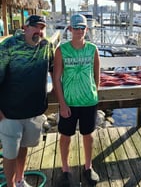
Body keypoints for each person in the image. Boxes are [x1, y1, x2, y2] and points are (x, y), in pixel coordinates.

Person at [0, 15, 54, 187]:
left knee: (23, 148)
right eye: (35, 27)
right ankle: (10, 185)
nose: (39, 31)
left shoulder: (47, 46)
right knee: (10, 153)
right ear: (25, 28)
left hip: (34, 111)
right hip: (9, 112)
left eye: (42, 28)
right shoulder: (8, 46)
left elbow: (55, 70)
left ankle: (20, 179)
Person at [53, 14, 100, 186]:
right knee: (65, 137)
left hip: (89, 102)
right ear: (70, 29)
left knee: (88, 136)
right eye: (76, 27)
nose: (79, 31)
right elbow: (57, 78)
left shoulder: (93, 48)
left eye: (82, 28)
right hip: (69, 103)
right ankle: (65, 169)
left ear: (86, 30)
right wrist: (62, 104)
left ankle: (88, 167)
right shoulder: (61, 50)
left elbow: (97, 75)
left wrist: (93, 92)